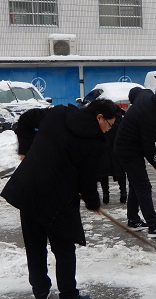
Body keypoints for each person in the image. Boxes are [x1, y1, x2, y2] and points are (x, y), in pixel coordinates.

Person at [0, 99, 120, 299]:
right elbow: (87, 178)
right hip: (58, 200)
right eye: (110, 124)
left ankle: (40, 292)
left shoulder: (58, 114)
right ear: (99, 117)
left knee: (35, 246)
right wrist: (93, 202)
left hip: (29, 191)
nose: (109, 130)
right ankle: (68, 294)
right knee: (64, 249)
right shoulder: (94, 142)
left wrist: (25, 149)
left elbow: (27, 119)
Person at [114, 83, 156, 238]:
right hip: (129, 150)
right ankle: (153, 226)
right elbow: (147, 146)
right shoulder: (153, 118)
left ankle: (133, 220)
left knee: (136, 185)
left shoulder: (146, 94)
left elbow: (134, 92)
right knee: (144, 187)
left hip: (125, 145)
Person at [98, 108, 127, 204]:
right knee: (120, 171)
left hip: (104, 149)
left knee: (103, 173)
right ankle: (123, 193)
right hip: (117, 149)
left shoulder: (103, 120)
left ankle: (105, 194)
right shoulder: (120, 121)